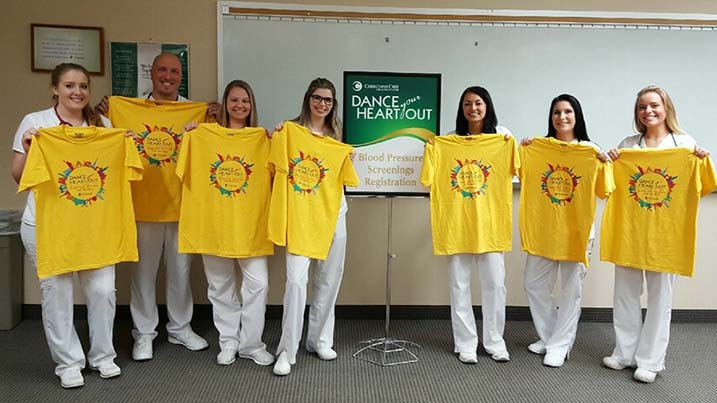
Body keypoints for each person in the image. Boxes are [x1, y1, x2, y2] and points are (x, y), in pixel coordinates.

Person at [10, 63, 121, 388]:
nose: (77, 92)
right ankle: (68, 363)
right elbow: (18, 176)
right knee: (57, 293)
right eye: (70, 85)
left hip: (93, 226)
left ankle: (103, 356)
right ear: (55, 89)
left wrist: (121, 143)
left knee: (102, 291)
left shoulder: (104, 126)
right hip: (46, 225)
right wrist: (31, 149)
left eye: (83, 86)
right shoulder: (36, 124)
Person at [102, 53, 211, 361]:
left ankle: (179, 329)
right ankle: (144, 334)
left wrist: (209, 118)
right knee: (143, 275)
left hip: (182, 206)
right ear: (152, 74)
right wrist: (103, 112)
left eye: (174, 71)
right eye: (162, 69)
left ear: (181, 76)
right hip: (143, 206)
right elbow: (103, 132)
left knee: (181, 273)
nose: (168, 75)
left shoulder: (196, 113)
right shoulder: (127, 110)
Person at [603, 86, 709, 383]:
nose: (648, 111)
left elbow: (702, 185)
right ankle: (624, 353)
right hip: (631, 232)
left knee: (661, 296)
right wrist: (611, 158)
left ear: (666, 108)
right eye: (641, 107)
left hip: (666, 235)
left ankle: (650, 360)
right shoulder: (627, 145)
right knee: (625, 293)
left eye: (654, 105)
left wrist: (700, 159)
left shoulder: (685, 145)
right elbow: (610, 181)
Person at [180, 80, 274, 366]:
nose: (239, 106)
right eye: (234, 100)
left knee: (258, 285)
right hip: (215, 223)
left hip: (251, 225)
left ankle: (251, 344)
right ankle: (228, 342)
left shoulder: (262, 139)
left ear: (251, 105)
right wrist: (192, 135)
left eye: (245, 101)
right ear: (225, 103)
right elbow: (184, 171)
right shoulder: (202, 136)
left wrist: (276, 139)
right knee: (220, 286)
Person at [520, 94, 608, 368]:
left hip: (577, 232)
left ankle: (560, 346)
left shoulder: (591, 151)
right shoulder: (538, 147)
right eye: (556, 112)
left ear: (577, 116)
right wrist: (525, 148)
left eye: (568, 111)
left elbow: (605, 190)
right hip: (543, 229)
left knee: (571, 290)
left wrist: (605, 162)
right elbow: (517, 170)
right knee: (534, 283)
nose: (562, 117)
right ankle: (549, 337)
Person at [272, 78, 353, 376]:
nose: (323, 104)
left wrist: (348, 155)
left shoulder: (337, 135)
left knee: (329, 278)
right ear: (308, 99)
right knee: (295, 282)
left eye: (328, 100)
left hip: (334, 212)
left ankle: (319, 339)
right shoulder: (289, 131)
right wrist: (277, 136)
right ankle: (286, 350)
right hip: (301, 215)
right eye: (318, 98)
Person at [445, 86, 512, 364]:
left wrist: (523, 145)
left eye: (478, 103)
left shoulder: (502, 137)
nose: (473, 108)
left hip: (491, 223)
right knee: (459, 284)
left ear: (488, 106)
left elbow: (517, 167)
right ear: (461, 109)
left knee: (495, 284)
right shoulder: (448, 141)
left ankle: (495, 341)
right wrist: (432, 150)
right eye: (467, 104)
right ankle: (465, 343)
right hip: (457, 223)